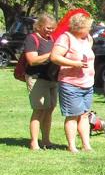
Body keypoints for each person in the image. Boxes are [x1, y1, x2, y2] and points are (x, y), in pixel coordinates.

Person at [51, 13, 95, 153]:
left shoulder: (87, 39)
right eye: (88, 27)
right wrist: (74, 64)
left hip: (87, 83)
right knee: (73, 115)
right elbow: (54, 57)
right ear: (79, 26)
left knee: (84, 114)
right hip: (70, 84)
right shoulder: (66, 38)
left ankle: (86, 145)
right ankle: (72, 146)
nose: (90, 29)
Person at [22, 14, 58, 150]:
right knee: (39, 110)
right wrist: (51, 55)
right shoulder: (31, 39)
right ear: (40, 26)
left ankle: (46, 141)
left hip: (51, 78)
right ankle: (34, 143)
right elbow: (32, 60)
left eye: (52, 28)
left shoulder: (51, 39)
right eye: (48, 28)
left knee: (49, 110)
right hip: (37, 78)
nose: (50, 31)